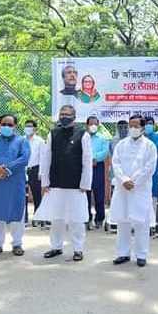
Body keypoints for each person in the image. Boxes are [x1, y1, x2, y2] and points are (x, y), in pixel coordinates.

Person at [36, 105, 93, 262]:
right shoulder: (53, 133)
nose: (64, 116)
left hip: (76, 186)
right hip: (56, 183)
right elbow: (46, 157)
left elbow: (87, 161)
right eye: (62, 114)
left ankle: (78, 249)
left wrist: (85, 184)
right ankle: (56, 247)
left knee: (76, 219)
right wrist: (45, 181)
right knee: (57, 218)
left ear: (74, 116)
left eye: (67, 114)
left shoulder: (83, 134)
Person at [110, 114, 158, 267]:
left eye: (136, 126)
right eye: (131, 125)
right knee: (123, 222)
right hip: (122, 188)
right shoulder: (121, 144)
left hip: (140, 190)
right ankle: (123, 253)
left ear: (143, 128)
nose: (133, 128)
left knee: (141, 223)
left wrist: (134, 181)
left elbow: (149, 167)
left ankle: (141, 255)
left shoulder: (149, 146)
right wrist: (124, 179)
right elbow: (115, 163)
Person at [0, 115, 30, 257]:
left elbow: (24, 158)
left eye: (10, 125)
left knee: (16, 213)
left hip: (15, 182)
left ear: (15, 126)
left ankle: (17, 244)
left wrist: (7, 169)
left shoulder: (22, 141)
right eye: (3, 124)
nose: (6, 127)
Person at [86, 115, 109, 230]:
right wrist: (88, 160)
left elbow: (105, 152)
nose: (93, 126)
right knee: (86, 194)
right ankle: (87, 218)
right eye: (91, 124)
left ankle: (99, 218)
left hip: (98, 166)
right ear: (87, 125)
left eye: (95, 124)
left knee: (99, 194)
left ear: (98, 125)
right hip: (85, 167)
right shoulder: (83, 137)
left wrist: (94, 158)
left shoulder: (103, 138)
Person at [24, 120, 45, 223]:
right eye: (26, 126)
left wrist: (41, 172)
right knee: (23, 194)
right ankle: (24, 217)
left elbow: (42, 157)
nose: (28, 128)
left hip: (35, 169)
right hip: (23, 170)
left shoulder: (40, 141)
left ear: (35, 129)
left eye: (30, 126)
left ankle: (38, 217)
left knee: (37, 195)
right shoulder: (21, 140)